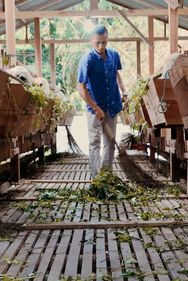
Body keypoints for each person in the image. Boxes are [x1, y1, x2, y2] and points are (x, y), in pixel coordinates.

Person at [77, 24, 126, 178]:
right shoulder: (87, 60)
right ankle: (95, 177)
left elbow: (116, 75)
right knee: (95, 143)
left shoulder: (114, 55)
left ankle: (106, 176)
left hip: (112, 105)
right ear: (92, 40)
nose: (101, 46)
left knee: (110, 143)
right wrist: (95, 107)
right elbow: (81, 88)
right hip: (94, 109)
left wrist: (124, 92)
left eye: (104, 42)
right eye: (98, 42)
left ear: (107, 39)